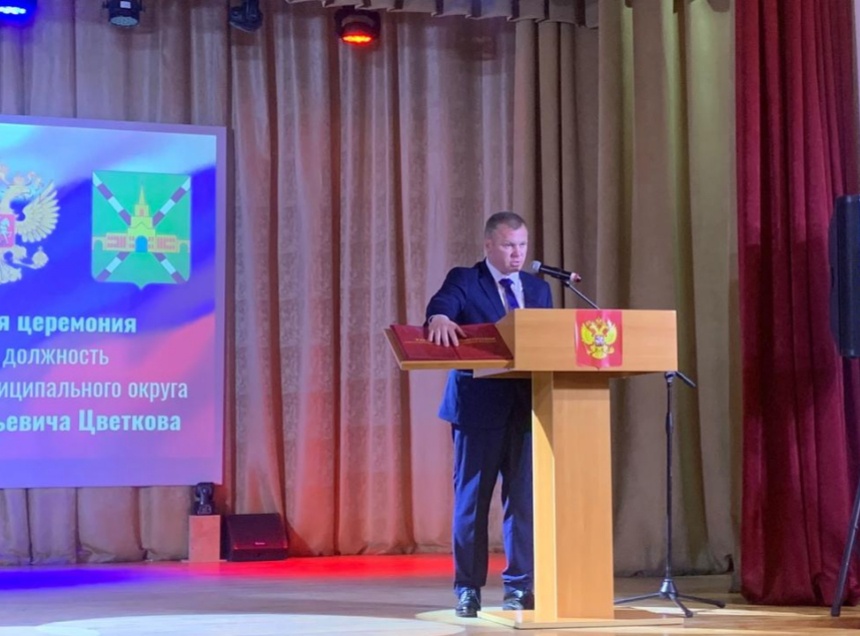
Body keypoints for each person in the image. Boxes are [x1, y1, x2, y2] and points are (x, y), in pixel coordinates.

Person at [425, 211, 553, 618]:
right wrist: (439, 317)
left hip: (525, 409)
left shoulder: (539, 289)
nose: (517, 253)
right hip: (478, 409)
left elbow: (548, 343)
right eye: (509, 245)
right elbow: (442, 304)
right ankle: (468, 589)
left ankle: (520, 587)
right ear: (489, 246)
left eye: (522, 245)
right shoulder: (466, 279)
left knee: (523, 503)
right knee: (472, 503)